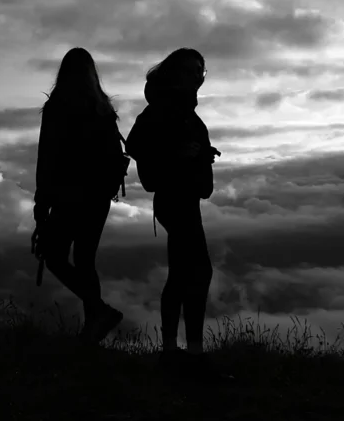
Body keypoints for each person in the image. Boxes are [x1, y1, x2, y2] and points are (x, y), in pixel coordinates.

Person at [126, 48, 222, 376]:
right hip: (175, 200)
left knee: (184, 274)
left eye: (200, 70)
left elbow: (147, 145)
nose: (197, 75)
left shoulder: (180, 110)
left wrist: (200, 154)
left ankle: (176, 351)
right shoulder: (166, 108)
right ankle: (189, 353)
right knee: (198, 272)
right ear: (175, 73)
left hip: (181, 199)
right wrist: (179, 154)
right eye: (191, 69)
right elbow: (137, 145)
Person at [33, 47, 126, 344]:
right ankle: (93, 327)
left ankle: (99, 313)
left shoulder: (59, 105)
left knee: (55, 257)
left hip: (68, 195)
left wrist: (41, 204)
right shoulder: (103, 109)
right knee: (86, 260)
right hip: (98, 198)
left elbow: (47, 157)